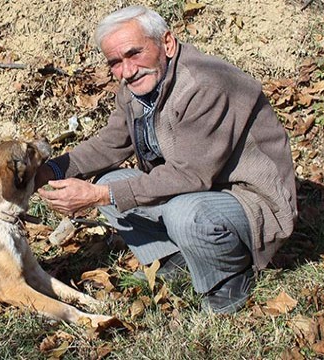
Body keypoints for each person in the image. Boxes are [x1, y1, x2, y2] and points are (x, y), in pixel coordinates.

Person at [35, 5, 297, 314]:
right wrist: (51, 170)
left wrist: (97, 195)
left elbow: (190, 176)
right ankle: (178, 259)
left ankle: (229, 276)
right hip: (202, 191)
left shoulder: (204, 85)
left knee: (178, 211)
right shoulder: (137, 88)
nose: (127, 70)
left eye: (134, 54)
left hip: (250, 200)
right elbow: (111, 142)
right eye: (115, 62)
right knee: (111, 183)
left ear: (167, 43)